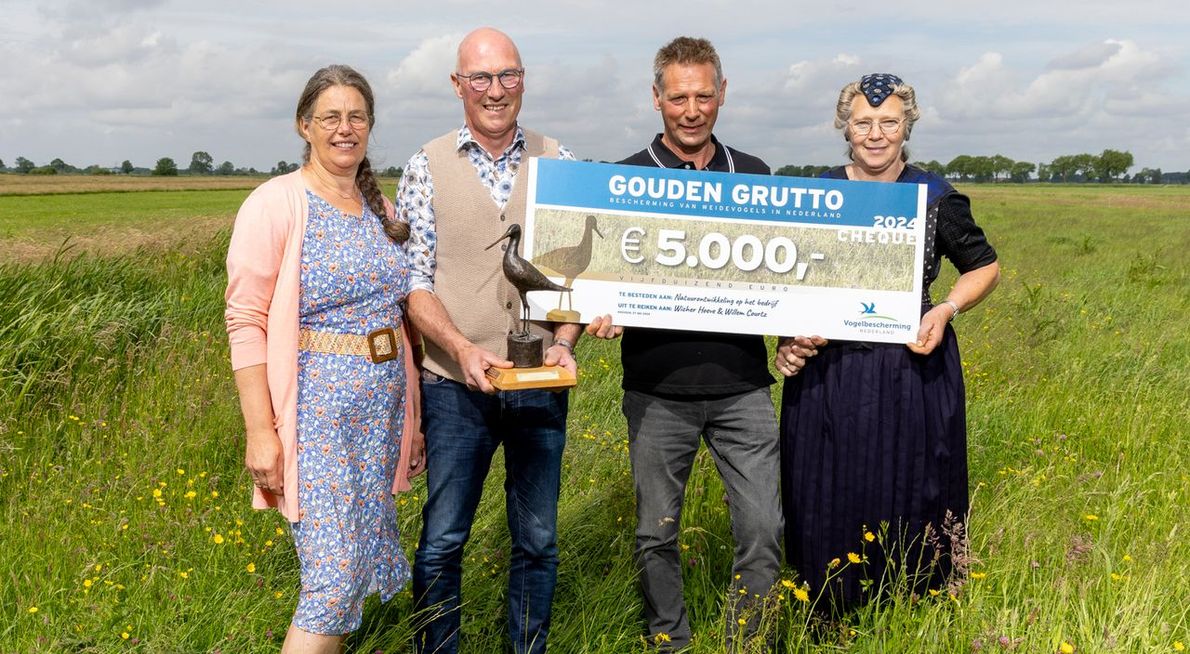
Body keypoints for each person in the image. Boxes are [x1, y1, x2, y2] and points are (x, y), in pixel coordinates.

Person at [396, 27, 604, 654]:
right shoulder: (426, 164)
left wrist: (565, 339)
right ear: (458, 85)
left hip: (539, 384)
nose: (495, 90)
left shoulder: (560, 161)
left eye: (507, 75)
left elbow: (580, 277)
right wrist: (461, 349)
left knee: (537, 540)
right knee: (442, 540)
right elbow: (415, 282)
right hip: (454, 386)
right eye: (480, 78)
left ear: (524, 81)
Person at [600, 36, 807, 651]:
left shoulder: (757, 176)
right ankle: (671, 639)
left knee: (764, 527)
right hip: (656, 390)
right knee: (655, 531)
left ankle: (752, 639)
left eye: (704, 96)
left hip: (743, 388)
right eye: (679, 97)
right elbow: (598, 280)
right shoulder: (624, 179)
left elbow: (784, 275)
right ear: (657, 98)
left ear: (722, 95)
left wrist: (798, 333)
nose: (692, 110)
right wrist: (595, 313)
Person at [777, 73, 1000, 611]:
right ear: (844, 127)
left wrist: (946, 309)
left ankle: (911, 608)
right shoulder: (817, 192)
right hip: (830, 372)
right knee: (824, 487)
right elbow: (789, 281)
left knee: (914, 484)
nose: (875, 134)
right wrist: (789, 338)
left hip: (912, 369)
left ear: (907, 126)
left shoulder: (935, 195)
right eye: (862, 123)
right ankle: (828, 610)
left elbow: (984, 266)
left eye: (889, 123)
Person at [225, 65, 426, 652]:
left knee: (351, 574)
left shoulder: (377, 206)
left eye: (357, 116)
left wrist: (412, 422)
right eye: (331, 117)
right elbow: (246, 321)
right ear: (303, 125)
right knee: (333, 582)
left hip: (380, 415)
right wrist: (260, 431)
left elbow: (397, 319)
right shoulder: (276, 203)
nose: (346, 128)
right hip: (316, 417)